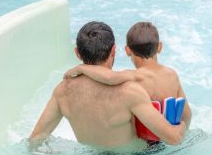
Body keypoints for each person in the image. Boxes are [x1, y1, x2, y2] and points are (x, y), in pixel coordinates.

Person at [29, 21, 186, 150]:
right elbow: (173, 138)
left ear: (77, 53)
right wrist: (182, 126)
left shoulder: (61, 91)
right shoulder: (130, 91)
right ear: (114, 50)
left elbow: (35, 140)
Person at [64, 22, 192, 142]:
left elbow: (108, 78)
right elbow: (186, 114)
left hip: (145, 146)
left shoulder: (136, 77)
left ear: (127, 50)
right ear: (159, 47)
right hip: (168, 138)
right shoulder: (172, 75)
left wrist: (81, 68)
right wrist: (180, 129)